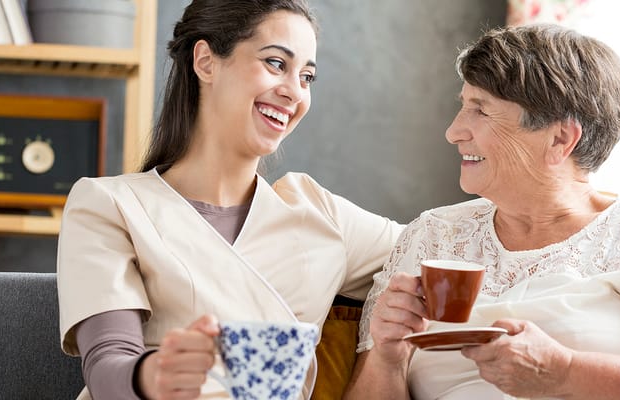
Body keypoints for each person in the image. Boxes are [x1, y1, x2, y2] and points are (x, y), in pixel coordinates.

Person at [344, 24, 620, 400]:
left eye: (480, 110)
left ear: (560, 139)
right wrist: (388, 357)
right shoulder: (431, 236)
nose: (454, 130)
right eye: (463, 105)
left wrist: (564, 373)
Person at [56, 1, 403, 399]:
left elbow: (446, 249)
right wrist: (157, 374)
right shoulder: (110, 205)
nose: (294, 91)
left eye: (307, 76)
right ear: (205, 62)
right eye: (276, 63)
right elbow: (107, 366)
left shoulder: (323, 216)